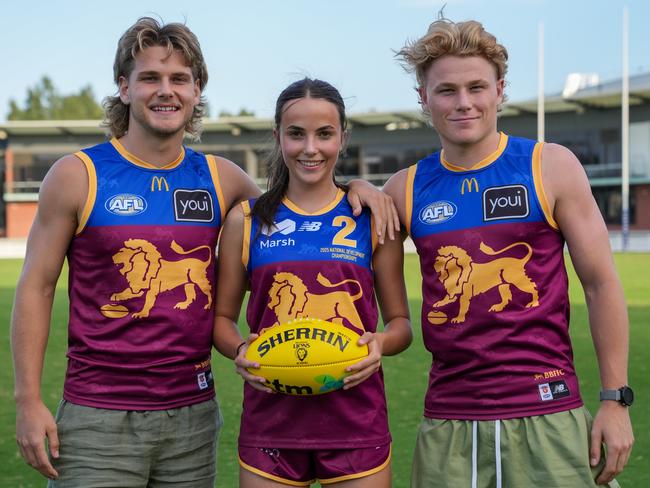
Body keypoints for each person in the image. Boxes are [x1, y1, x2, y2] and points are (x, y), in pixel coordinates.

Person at [10, 18, 397, 486]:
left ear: (197, 91)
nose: (165, 91)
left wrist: (357, 186)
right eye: (150, 77)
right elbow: (36, 286)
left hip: (191, 415)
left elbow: (297, 207)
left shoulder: (221, 178)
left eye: (179, 79)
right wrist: (28, 401)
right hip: (98, 415)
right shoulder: (78, 175)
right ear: (124, 88)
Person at [382, 17, 634, 488]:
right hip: (450, 421)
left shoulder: (551, 166)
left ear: (499, 90)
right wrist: (357, 185)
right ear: (423, 98)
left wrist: (615, 400)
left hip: (548, 408)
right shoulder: (404, 189)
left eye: (477, 87)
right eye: (446, 90)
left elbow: (601, 285)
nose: (464, 103)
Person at [213, 78, 412, 487]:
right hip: (270, 421)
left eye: (324, 134)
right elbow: (221, 318)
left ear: (342, 136)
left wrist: (380, 344)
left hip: (356, 419)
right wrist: (239, 351)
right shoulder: (246, 221)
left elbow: (401, 325)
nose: (310, 148)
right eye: (296, 134)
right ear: (277, 137)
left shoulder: (373, 219)